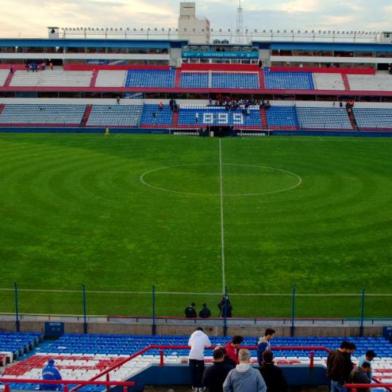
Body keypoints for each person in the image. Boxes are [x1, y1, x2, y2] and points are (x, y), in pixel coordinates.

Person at [188, 327, 212, 392]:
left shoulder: (193, 334)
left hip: (191, 356)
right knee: (200, 372)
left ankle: (194, 386)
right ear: (202, 330)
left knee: (193, 372)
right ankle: (200, 387)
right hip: (200, 357)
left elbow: (189, 344)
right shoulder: (204, 335)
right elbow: (209, 345)